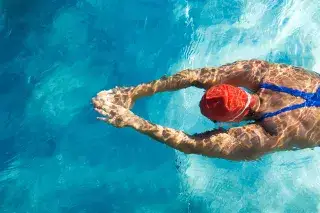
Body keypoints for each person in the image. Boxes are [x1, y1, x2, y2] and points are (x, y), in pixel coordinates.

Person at [92, 59, 320, 161]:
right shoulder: (264, 73)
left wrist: (132, 120)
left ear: (231, 121)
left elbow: (191, 144)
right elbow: (195, 76)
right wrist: (133, 92)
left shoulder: (270, 134)